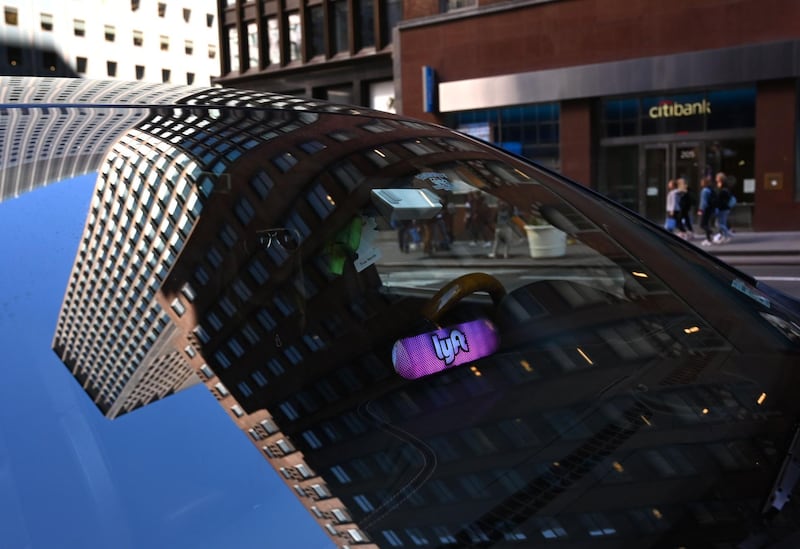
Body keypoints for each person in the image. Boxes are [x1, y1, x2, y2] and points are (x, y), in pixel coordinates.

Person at [713, 172, 733, 244]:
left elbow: (721, 197)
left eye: (717, 177)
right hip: (723, 207)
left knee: (719, 223)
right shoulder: (723, 187)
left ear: (720, 179)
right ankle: (724, 236)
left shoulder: (723, 187)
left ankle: (727, 235)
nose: (715, 179)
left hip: (723, 208)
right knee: (721, 223)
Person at [697, 175, 717, 246]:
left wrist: (701, 210)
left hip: (705, 209)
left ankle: (710, 236)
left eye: (702, 182)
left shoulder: (704, 191)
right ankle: (709, 237)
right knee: (706, 224)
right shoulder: (710, 190)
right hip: (710, 209)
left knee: (703, 224)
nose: (701, 183)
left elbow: (703, 202)